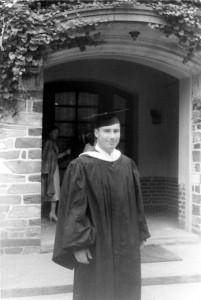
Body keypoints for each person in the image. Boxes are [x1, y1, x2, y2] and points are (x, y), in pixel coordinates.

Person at [52, 110, 151, 300]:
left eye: (116, 131)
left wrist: (139, 233)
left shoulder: (127, 164)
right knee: (96, 290)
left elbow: (137, 203)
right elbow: (74, 208)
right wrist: (78, 245)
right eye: (107, 131)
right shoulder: (81, 165)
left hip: (126, 243)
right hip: (97, 244)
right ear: (96, 133)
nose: (112, 136)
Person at [41, 126, 70, 222]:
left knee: (53, 189)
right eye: (54, 133)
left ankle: (52, 212)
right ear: (50, 133)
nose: (56, 135)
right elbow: (50, 157)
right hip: (51, 169)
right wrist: (65, 153)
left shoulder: (51, 143)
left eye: (57, 133)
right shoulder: (49, 142)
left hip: (52, 168)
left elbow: (53, 157)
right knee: (52, 189)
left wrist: (64, 153)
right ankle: (51, 213)